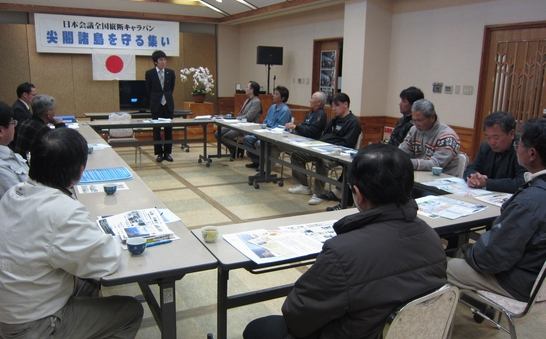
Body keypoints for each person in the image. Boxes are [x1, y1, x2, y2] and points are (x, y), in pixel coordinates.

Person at [243, 144, 447, 339]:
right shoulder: (431, 237)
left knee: (260, 328)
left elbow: (297, 316)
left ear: (357, 194)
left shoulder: (341, 253)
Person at [0, 128, 143, 338]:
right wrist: (110, 237)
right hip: (32, 324)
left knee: (89, 283)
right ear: (80, 169)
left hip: (13, 306)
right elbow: (106, 261)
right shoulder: (61, 211)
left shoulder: (14, 194)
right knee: (130, 311)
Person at [448, 118, 546, 302]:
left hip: (519, 281)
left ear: (531, 153)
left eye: (519, 143)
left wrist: (468, 250)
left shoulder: (529, 201)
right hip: (534, 273)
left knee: (445, 265)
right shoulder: (535, 193)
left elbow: (492, 258)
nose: (518, 147)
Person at [289, 93, 361, 205]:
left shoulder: (353, 122)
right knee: (297, 154)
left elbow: (347, 143)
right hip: (322, 148)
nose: (333, 109)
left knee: (321, 161)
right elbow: (325, 136)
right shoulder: (334, 120)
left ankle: (318, 193)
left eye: (336, 105)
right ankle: (303, 185)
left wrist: (328, 143)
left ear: (346, 104)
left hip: (338, 154)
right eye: (332, 106)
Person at [464, 111, 525, 193]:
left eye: (496, 138)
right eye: (488, 137)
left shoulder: (522, 149)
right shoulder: (485, 147)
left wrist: (486, 182)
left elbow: (521, 183)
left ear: (511, 134)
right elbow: (471, 168)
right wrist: (473, 177)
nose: (492, 142)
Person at [399, 99, 461, 176]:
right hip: (421, 176)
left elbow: (436, 164)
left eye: (419, 120)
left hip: (443, 179)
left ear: (432, 118)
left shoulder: (447, 136)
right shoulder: (414, 130)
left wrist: (407, 162)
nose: (416, 124)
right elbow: (402, 152)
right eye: (414, 120)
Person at [244, 86, 292, 168]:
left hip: (276, 137)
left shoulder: (285, 110)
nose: (273, 95)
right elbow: (265, 120)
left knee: (259, 143)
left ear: (283, 98)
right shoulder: (272, 107)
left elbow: (279, 128)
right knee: (247, 138)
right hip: (265, 133)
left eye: (276, 94)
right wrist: (263, 127)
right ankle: (257, 161)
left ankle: (263, 166)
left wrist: (267, 128)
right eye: (274, 93)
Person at [217, 81, 262, 159]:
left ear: (252, 90)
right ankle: (235, 148)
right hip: (239, 124)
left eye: (247, 87)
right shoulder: (247, 100)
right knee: (218, 133)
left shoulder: (256, 102)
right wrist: (231, 118)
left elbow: (249, 117)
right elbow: (241, 114)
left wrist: (236, 118)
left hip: (247, 127)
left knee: (226, 136)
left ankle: (235, 148)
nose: (246, 89)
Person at [145, 50, 176, 163]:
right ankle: (159, 153)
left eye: (164, 59)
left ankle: (167, 153)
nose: (163, 62)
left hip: (168, 104)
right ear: (155, 62)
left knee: (168, 129)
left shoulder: (170, 72)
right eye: (161, 60)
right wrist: (156, 99)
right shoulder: (150, 73)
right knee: (156, 130)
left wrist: (165, 97)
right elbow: (148, 90)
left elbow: (171, 88)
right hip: (156, 105)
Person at [13, 94, 65, 160]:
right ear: (48, 113)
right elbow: (62, 146)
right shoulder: (43, 130)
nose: (55, 113)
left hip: (20, 163)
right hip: (30, 167)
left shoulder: (25, 122)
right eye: (53, 110)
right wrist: (60, 125)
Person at [0, 101, 28, 197]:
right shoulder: (1, 169)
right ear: (1, 131)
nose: (15, 126)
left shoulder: (7, 152)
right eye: (13, 123)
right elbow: (21, 202)